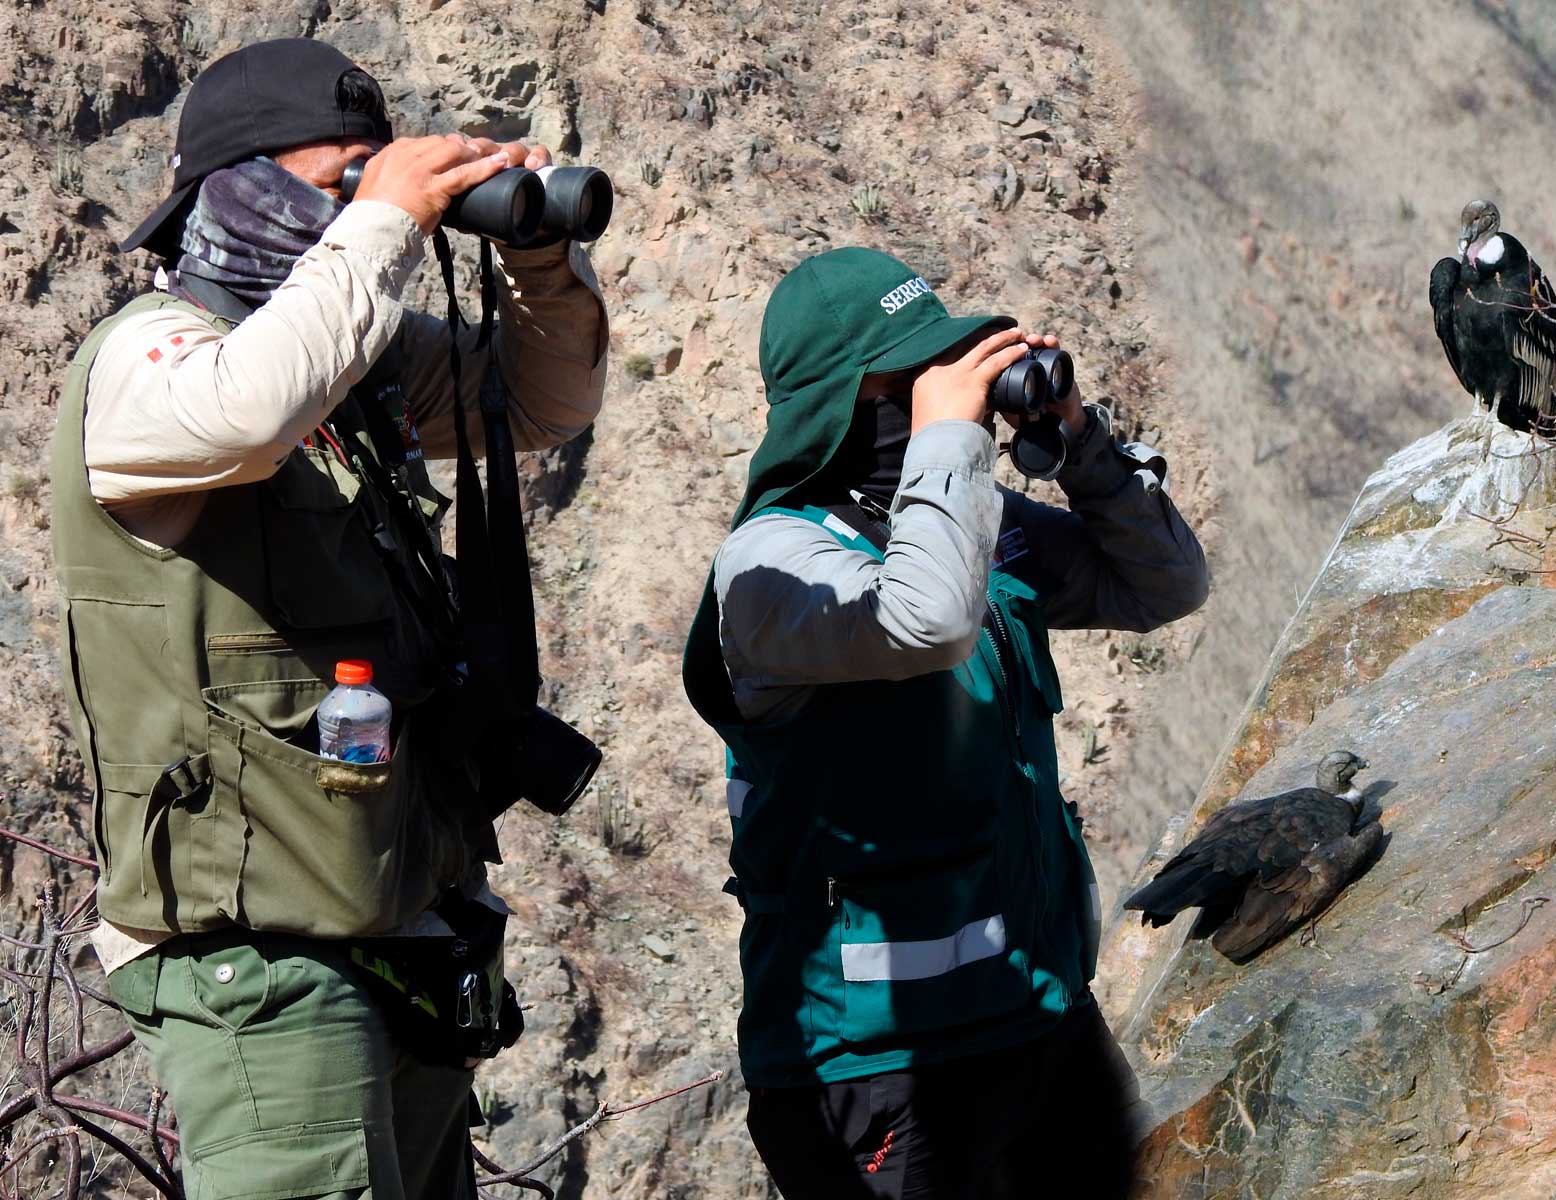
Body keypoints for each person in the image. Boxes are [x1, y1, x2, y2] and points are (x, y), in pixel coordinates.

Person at [49, 38, 608, 1200]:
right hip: (256, 962)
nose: (363, 204)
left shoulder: (350, 367)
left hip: (399, 924)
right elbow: (245, 412)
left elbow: (544, 402)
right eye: (336, 177)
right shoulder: (147, 361)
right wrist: (385, 218)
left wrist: (540, 256)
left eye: (372, 175)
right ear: (238, 185)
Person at [681, 247, 1208, 1197]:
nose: (944, 388)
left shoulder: (961, 517)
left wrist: (1078, 441)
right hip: (876, 1067)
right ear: (845, 400)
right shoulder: (770, 562)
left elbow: (1163, 583)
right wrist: (951, 445)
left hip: (1039, 1017)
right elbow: (922, 618)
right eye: (914, 375)